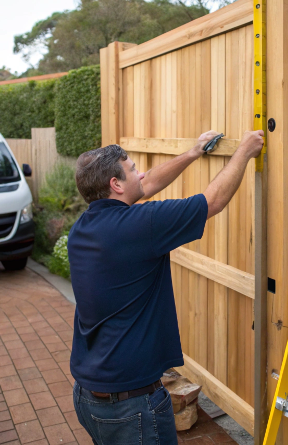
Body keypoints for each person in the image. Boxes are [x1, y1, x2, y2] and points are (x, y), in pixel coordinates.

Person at [68, 129, 264, 445]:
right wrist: (244, 150)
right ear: (115, 185)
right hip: (132, 405)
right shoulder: (139, 226)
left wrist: (193, 152)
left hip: (88, 396)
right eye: (132, 170)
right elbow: (212, 202)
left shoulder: (83, 229)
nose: (141, 173)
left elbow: (145, 186)